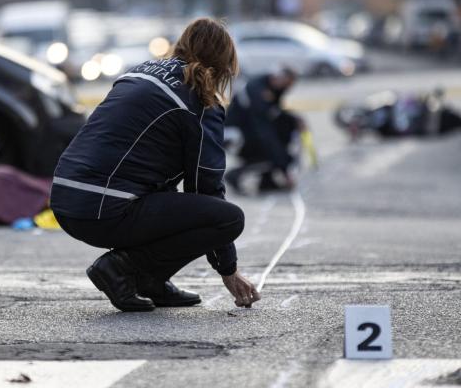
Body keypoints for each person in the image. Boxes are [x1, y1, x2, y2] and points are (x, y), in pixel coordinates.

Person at [50, 18, 260, 312]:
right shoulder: (198, 100)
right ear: (225, 63)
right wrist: (228, 270)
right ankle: (121, 268)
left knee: (169, 197)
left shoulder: (140, 72)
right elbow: (206, 189)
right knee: (228, 219)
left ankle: (151, 280)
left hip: (66, 199)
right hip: (103, 207)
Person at [225, 67, 303, 192]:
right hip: (236, 136)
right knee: (273, 150)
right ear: (278, 78)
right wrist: (284, 167)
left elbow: (275, 114)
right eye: (287, 84)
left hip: (248, 131)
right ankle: (235, 175)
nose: (287, 88)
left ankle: (267, 181)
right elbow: (264, 129)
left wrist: (294, 120)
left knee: (282, 135)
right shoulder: (257, 90)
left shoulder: (272, 88)